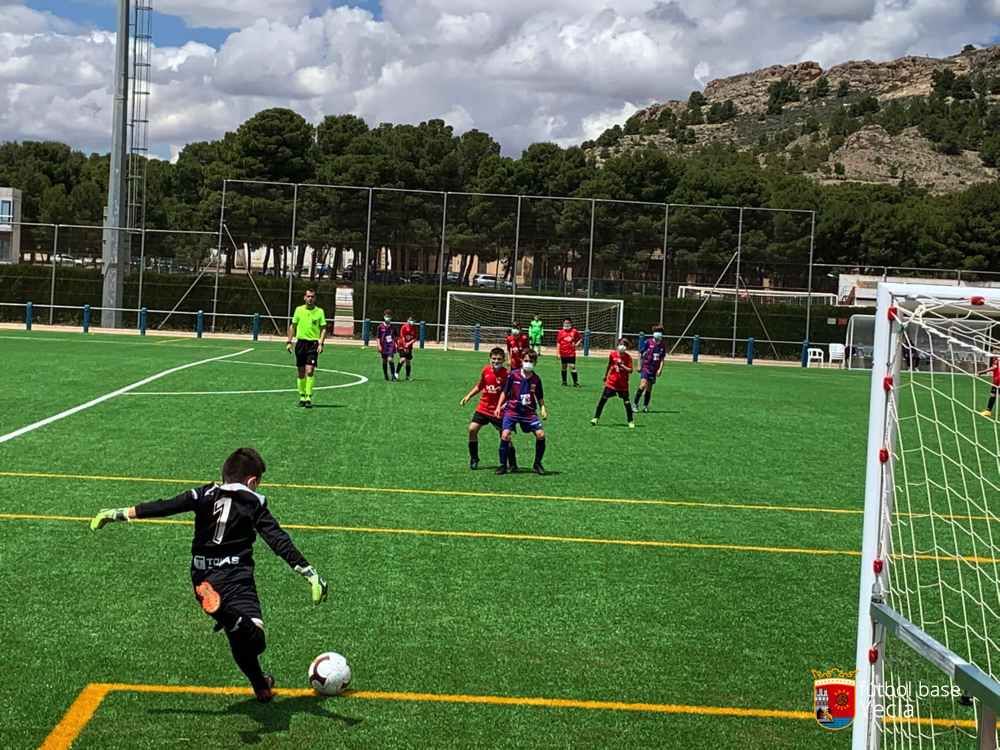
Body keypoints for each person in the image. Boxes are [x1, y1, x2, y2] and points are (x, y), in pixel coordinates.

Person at [89, 447, 328, 704]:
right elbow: (277, 539)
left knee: (237, 635)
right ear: (251, 481)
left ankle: (261, 685)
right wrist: (309, 572)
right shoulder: (253, 502)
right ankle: (224, 611)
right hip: (236, 578)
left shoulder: (203, 493)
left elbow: (163, 506)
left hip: (203, 579)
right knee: (255, 641)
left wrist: (117, 513)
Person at [459, 347, 518, 471]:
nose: (496, 361)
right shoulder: (485, 370)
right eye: (494, 359)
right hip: (484, 407)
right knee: (472, 429)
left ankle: (512, 463)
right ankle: (474, 458)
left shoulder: (507, 374)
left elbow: (512, 393)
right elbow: (481, 385)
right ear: (490, 359)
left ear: (503, 360)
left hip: (498, 410)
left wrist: (504, 405)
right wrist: (468, 396)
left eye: (499, 359)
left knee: (505, 436)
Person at [494, 349, 547, 475]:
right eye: (526, 361)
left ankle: (537, 463)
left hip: (528, 413)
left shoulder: (536, 379)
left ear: (535, 363)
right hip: (512, 411)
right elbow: (505, 392)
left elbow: (539, 397)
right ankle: (503, 465)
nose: (528, 363)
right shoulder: (513, 375)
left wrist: (543, 409)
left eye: (531, 361)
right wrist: (498, 406)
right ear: (522, 361)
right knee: (505, 435)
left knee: (541, 435)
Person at [285, 288, 327, 408]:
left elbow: (323, 328)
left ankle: (308, 396)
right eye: (308, 296)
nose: (310, 299)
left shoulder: (319, 312)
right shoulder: (298, 310)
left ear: (315, 298)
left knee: (310, 370)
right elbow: (293, 326)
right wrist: (289, 341)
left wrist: (321, 343)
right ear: (304, 297)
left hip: (312, 344)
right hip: (301, 344)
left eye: (312, 296)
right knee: (301, 371)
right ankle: (301, 396)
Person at [591, 338, 635, 428]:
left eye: (623, 344)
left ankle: (630, 421)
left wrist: (622, 365)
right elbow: (610, 365)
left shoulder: (628, 357)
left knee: (626, 402)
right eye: (620, 344)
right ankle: (595, 418)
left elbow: (630, 370)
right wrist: (605, 375)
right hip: (612, 382)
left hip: (622, 384)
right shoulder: (612, 355)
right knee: (603, 400)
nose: (621, 346)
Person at [633, 324, 665, 413]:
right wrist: (639, 365)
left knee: (649, 388)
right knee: (643, 385)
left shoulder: (662, 345)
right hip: (646, 367)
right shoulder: (648, 342)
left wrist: (660, 369)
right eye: (656, 332)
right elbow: (640, 353)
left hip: (654, 369)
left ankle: (645, 406)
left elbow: (662, 358)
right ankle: (635, 404)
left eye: (659, 332)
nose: (658, 334)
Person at [556, 317, 583, 387]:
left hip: (571, 352)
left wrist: (577, 344)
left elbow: (581, 337)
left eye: (568, 323)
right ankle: (564, 382)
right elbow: (558, 343)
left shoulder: (574, 331)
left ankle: (575, 382)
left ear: (571, 323)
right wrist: (558, 353)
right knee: (564, 366)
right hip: (563, 352)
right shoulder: (560, 332)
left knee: (572, 366)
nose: (566, 324)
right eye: (565, 323)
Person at [377, 310, 398, 381]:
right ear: (383, 317)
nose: (387, 318)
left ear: (391, 317)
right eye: (386, 316)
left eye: (389, 317)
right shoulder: (380, 327)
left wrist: (396, 344)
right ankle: (386, 374)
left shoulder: (393, 327)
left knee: (390, 359)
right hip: (383, 345)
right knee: (384, 360)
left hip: (390, 346)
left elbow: (396, 337)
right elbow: (378, 337)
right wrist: (379, 345)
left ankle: (393, 375)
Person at [398, 315, 419, 381]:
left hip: (409, 347)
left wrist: (408, 344)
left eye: (413, 320)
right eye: (410, 320)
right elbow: (402, 337)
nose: (411, 321)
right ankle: (396, 373)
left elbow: (415, 338)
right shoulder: (404, 327)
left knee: (408, 361)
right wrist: (405, 346)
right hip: (402, 345)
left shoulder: (415, 328)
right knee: (402, 359)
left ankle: (408, 376)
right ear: (407, 320)